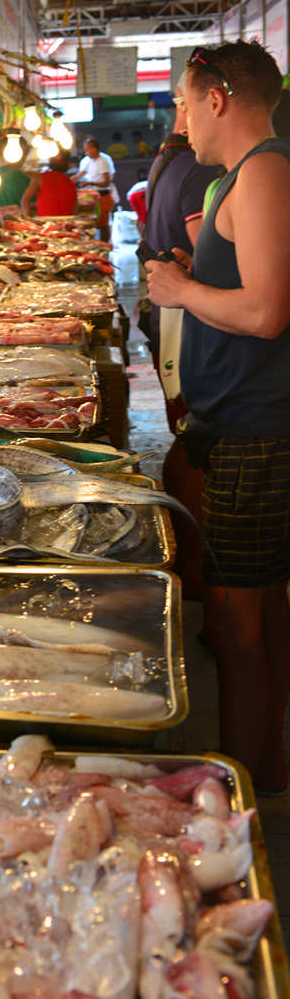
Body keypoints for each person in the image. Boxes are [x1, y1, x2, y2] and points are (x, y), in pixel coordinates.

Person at [146, 39, 290, 794]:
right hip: (242, 425)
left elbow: (266, 312)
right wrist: (196, 272)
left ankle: (240, 787)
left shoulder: (264, 170)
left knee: (239, 621)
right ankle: (264, 768)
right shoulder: (240, 178)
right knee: (259, 611)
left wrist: (181, 291)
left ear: (217, 98)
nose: (180, 118)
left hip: (256, 431)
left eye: (182, 101)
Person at [139, 82, 222, 600]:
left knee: (185, 437)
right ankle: (194, 572)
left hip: (174, 324)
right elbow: (208, 258)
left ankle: (187, 567)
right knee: (194, 443)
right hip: (192, 332)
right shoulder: (198, 168)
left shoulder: (169, 160)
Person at [74, 137, 115, 240]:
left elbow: (106, 183)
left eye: (87, 150)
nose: (86, 153)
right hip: (93, 196)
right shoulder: (89, 161)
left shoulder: (102, 161)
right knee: (93, 224)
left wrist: (90, 182)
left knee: (103, 225)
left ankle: (106, 246)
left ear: (94, 149)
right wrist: (66, 182)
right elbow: (79, 175)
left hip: (103, 196)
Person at [20, 152, 77, 217]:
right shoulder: (70, 182)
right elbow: (74, 212)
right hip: (65, 222)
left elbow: (24, 201)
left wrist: (27, 217)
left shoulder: (39, 178)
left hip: (44, 222)